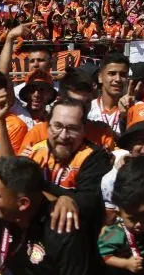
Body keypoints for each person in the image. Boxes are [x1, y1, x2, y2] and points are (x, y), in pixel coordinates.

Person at [20, 97, 113, 229]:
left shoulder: (94, 157)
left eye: (72, 128)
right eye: (57, 126)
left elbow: (87, 204)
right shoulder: (34, 153)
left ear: (83, 130)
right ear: (48, 126)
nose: (63, 136)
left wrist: (38, 184)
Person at [87, 52, 131, 136]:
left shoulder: (137, 108)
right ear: (100, 77)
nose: (118, 79)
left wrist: (127, 117)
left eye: (123, 74)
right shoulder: (88, 108)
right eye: (112, 73)